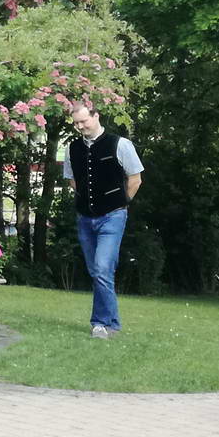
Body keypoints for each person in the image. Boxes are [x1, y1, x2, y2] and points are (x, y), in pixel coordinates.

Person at [63, 102, 144, 339]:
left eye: (84, 121)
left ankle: (100, 323)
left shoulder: (120, 144)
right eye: (76, 123)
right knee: (98, 271)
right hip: (85, 218)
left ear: (96, 116)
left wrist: (121, 203)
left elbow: (135, 179)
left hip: (113, 216)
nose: (80, 126)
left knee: (101, 269)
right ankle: (114, 323)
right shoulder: (72, 148)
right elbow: (72, 180)